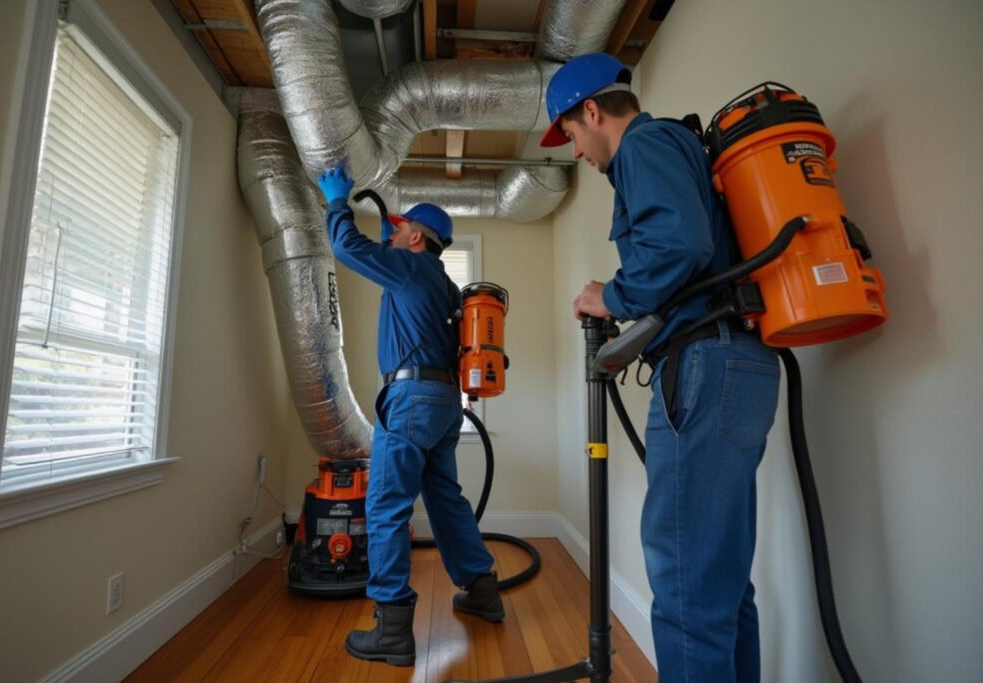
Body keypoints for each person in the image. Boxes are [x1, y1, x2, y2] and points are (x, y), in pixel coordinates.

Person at [541, 53, 781, 682]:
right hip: (739, 361)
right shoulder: (676, 149)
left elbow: (680, 244)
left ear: (591, 111)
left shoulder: (645, 144)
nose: (573, 151)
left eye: (568, 132)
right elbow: (695, 265)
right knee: (720, 579)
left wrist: (610, 296)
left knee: (684, 582)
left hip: (705, 366)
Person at [316, 166, 505, 667]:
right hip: (445, 405)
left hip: (412, 400)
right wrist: (389, 239)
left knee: (385, 505)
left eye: (397, 229)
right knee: (445, 500)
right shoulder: (440, 282)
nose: (391, 234)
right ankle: (482, 590)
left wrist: (337, 204)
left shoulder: (411, 267)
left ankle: (393, 628)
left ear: (416, 236)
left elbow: (347, 248)